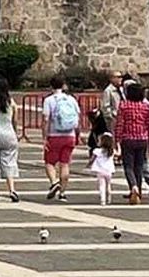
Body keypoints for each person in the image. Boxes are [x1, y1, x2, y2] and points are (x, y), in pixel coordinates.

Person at [114, 80, 149, 203]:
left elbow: (120, 124)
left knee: (128, 166)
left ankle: (133, 187)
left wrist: (117, 139)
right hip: (142, 139)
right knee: (139, 166)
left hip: (128, 139)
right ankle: (139, 190)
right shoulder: (145, 106)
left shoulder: (124, 105)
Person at [42, 74, 80, 202]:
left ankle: (54, 182)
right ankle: (63, 193)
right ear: (63, 85)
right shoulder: (71, 99)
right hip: (70, 135)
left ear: (51, 86)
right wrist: (77, 134)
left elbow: (46, 119)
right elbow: (77, 117)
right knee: (65, 164)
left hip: (54, 135)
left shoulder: (49, 100)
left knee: (49, 162)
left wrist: (44, 137)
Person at [88, 131, 116, 205]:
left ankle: (102, 200)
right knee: (108, 185)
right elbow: (118, 154)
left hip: (100, 171)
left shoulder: (97, 151)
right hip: (109, 171)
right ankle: (109, 197)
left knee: (101, 185)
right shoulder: (112, 151)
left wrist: (89, 164)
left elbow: (92, 159)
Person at [100, 71, 123, 139]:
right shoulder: (108, 91)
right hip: (114, 118)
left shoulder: (121, 89)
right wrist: (110, 117)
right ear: (112, 79)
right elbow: (105, 105)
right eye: (118, 77)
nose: (120, 79)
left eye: (121, 77)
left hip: (122, 117)